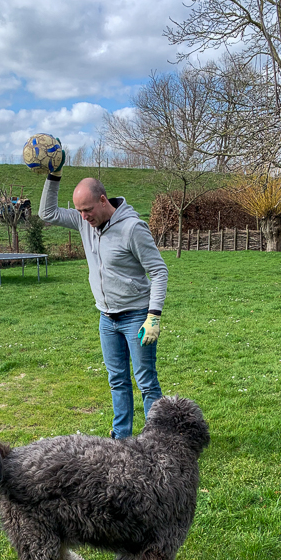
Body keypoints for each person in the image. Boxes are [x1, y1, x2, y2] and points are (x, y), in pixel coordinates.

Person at [38, 151, 168, 439]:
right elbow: (47, 214)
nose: (84, 217)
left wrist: (153, 316)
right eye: (79, 211)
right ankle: (121, 438)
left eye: (87, 210)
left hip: (136, 316)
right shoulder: (85, 221)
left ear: (102, 200)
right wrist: (54, 176)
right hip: (106, 319)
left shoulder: (133, 229)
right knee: (117, 380)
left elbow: (159, 272)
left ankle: (157, 440)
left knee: (146, 381)